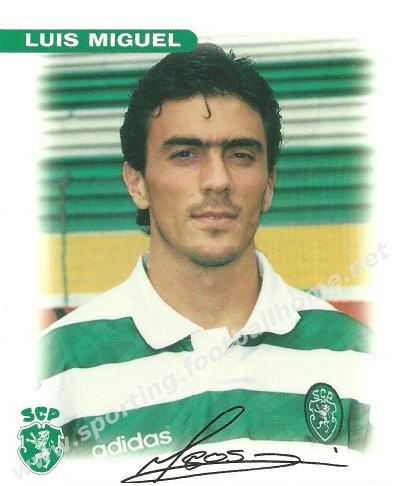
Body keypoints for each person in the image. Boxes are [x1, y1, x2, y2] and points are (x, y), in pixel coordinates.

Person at [38, 43, 371, 460]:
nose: (217, 180)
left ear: (268, 184)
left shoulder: (355, 357)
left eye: (241, 155)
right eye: (185, 154)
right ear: (137, 183)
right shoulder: (56, 369)